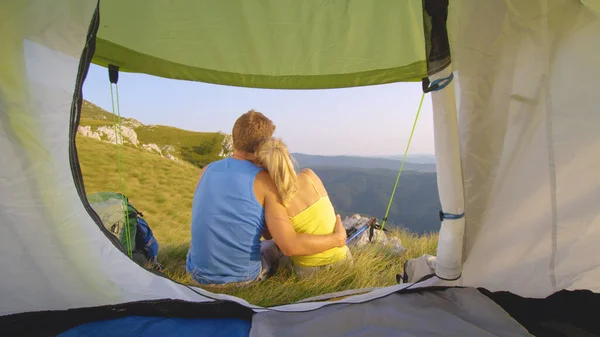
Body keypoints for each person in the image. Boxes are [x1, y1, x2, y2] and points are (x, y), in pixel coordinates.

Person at [186, 110, 347, 285]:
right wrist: (338, 239)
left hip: (196, 274)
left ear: (234, 139)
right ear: (264, 145)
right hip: (242, 280)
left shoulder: (206, 170)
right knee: (273, 247)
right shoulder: (264, 181)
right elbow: (289, 245)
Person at [255, 138, 352, 277]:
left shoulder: (275, 200)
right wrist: (338, 238)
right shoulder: (310, 175)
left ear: (263, 170)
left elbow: (271, 237)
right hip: (344, 260)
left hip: (310, 272)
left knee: (269, 251)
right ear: (288, 158)